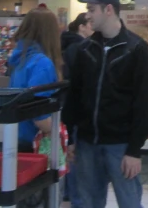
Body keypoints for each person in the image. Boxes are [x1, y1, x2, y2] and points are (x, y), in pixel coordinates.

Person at [63, 0, 148, 208]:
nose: (87, 15)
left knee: (129, 202)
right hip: (86, 144)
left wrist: (134, 151)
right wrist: (72, 139)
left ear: (109, 10)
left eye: (92, 9)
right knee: (86, 203)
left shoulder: (136, 49)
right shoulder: (85, 49)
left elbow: (142, 104)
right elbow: (75, 95)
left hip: (120, 146)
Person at [8, 9, 62, 153]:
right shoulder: (42, 63)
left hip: (16, 135)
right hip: (34, 141)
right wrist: (58, 130)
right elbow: (39, 115)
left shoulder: (20, 58)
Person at [60, 13, 91, 208]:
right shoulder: (80, 48)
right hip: (77, 109)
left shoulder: (62, 45)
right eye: (90, 23)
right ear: (81, 27)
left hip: (63, 108)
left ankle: (67, 195)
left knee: (67, 151)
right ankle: (76, 199)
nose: (93, 27)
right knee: (76, 157)